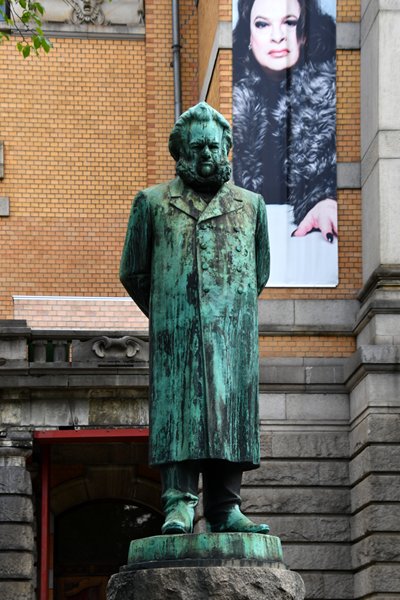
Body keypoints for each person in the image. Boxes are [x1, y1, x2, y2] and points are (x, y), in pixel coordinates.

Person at [120, 102, 270, 535]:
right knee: (180, 416)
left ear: (226, 148)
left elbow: (259, 272)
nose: (206, 154)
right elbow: (133, 271)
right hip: (176, 333)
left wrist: (225, 313)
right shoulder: (151, 203)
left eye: (212, 145)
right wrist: (171, 313)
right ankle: (178, 504)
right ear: (180, 152)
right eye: (196, 146)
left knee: (229, 417)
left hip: (232, 335)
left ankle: (226, 508)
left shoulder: (251, 206)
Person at [233, 0, 337, 242]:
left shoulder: (331, 97)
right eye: (262, 25)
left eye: (289, 22)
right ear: (248, 36)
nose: (277, 36)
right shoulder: (231, 107)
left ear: (305, 35)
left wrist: (326, 201)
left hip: (308, 252)